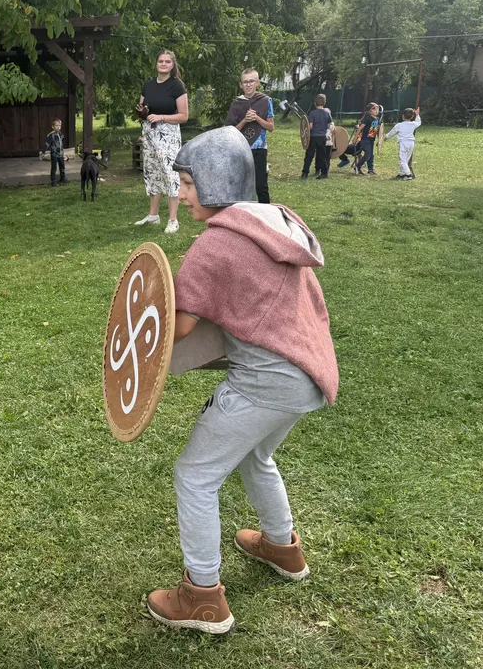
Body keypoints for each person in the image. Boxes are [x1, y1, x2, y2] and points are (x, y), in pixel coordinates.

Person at [145, 126, 339, 635]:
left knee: (195, 475)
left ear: (215, 181)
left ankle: (202, 597)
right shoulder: (274, 221)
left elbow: (175, 326)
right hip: (307, 373)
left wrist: (138, 316)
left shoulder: (217, 244)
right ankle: (282, 547)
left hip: (266, 382)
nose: (183, 195)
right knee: (256, 456)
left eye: (189, 184)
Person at [134, 49, 189, 233]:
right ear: (156, 64)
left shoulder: (177, 86)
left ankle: (173, 220)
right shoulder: (148, 85)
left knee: (170, 174)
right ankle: (153, 215)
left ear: (172, 65)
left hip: (168, 137)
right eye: (161, 61)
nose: (163, 64)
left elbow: (184, 116)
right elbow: (143, 110)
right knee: (152, 173)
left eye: (167, 61)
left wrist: (162, 117)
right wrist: (142, 113)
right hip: (150, 135)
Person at [225, 69, 275, 202]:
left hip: (259, 148)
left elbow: (271, 127)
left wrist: (257, 118)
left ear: (257, 82)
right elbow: (230, 131)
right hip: (241, 149)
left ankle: (265, 212)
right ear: (241, 85)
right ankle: (242, 212)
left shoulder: (265, 101)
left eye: (251, 81)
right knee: (241, 185)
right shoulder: (236, 103)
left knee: (260, 185)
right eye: (245, 82)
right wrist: (244, 120)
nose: (248, 85)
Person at [342, 103, 380, 175]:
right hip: (365, 140)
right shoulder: (367, 118)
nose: (376, 110)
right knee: (368, 154)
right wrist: (355, 138)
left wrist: (379, 140)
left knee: (371, 155)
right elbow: (360, 128)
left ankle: (370, 169)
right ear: (370, 111)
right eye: (374, 109)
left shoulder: (377, 119)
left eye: (377, 108)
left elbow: (377, 130)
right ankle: (357, 167)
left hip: (371, 140)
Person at [385, 107, 421, 180]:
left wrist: (386, 137)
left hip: (403, 144)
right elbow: (419, 122)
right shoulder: (413, 124)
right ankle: (402, 173)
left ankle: (408, 175)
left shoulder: (399, 125)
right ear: (412, 117)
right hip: (411, 143)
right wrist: (417, 115)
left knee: (402, 160)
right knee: (406, 159)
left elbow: (392, 132)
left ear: (403, 116)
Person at [302, 94, 333, 180]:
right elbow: (329, 125)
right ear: (324, 103)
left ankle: (305, 173)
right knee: (322, 155)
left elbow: (310, 126)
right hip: (322, 137)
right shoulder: (327, 113)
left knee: (309, 155)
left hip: (313, 137)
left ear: (315, 103)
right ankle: (324, 173)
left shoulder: (312, 113)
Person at [45, 118, 66, 186]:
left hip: (61, 154)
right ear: (53, 127)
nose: (58, 127)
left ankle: (63, 178)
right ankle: (53, 181)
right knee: (54, 168)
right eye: (56, 125)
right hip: (54, 154)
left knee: (62, 166)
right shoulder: (51, 135)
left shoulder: (61, 135)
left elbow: (61, 143)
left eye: (59, 125)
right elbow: (47, 143)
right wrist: (44, 151)